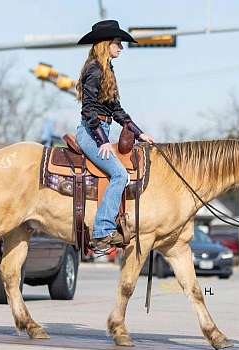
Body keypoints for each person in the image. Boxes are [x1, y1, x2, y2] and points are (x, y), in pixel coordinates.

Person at [76, 20, 155, 250]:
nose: (121, 47)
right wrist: (102, 141)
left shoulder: (108, 69)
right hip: (90, 132)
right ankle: (102, 230)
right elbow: (88, 109)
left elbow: (116, 110)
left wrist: (139, 134)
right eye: (118, 42)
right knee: (121, 175)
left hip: (102, 128)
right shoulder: (94, 69)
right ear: (105, 44)